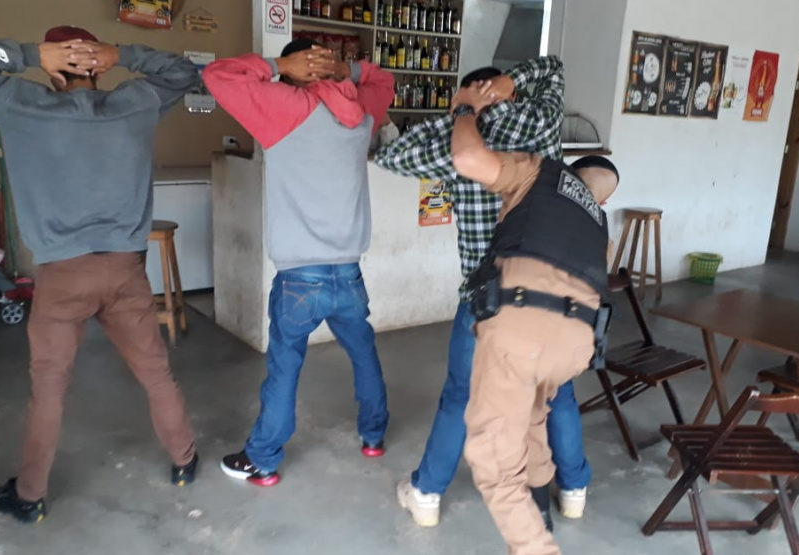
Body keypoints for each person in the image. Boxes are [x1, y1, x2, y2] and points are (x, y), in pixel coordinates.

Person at [0, 26, 200, 523]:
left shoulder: (22, 103)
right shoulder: (136, 103)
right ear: (100, 66)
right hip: (126, 270)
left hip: (61, 276)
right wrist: (124, 54)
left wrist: (29, 54)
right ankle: (184, 461)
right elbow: (184, 71)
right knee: (155, 372)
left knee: (50, 387)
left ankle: (30, 495)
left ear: (54, 68)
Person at [373, 57, 591, 528]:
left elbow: (390, 155)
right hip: (552, 293)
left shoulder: (455, 145)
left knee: (460, 395)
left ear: (469, 93)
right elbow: (555, 68)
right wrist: (509, 84)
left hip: (487, 299)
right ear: (508, 90)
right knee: (556, 393)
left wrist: (461, 112)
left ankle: (427, 493)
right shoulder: (541, 121)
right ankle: (574, 487)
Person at [202, 40, 395, 486]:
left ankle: (264, 459)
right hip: (348, 272)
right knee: (364, 354)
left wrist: (277, 64)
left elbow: (217, 75)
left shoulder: (282, 107)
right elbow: (384, 80)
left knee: (285, 366)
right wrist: (348, 70)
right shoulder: (361, 112)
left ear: (295, 72)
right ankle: (373, 436)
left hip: (299, 277)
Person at [451, 81, 619, 555]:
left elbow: (468, 159)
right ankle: (540, 512)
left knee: (494, 462)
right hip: (576, 346)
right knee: (531, 419)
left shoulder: (542, 171)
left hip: (521, 326)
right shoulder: (599, 225)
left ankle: (534, 546)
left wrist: (464, 109)